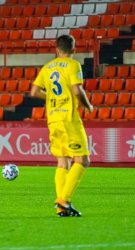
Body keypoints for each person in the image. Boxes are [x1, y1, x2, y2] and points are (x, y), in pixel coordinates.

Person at [30, 34, 93, 217]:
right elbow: (76, 89)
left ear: (56, 49)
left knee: (63, 160)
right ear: (74, 50)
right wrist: (87, 105)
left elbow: (34, 91)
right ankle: (63, 200)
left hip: (53, 119)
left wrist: (50, 97)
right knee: (82, 160)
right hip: (68, 118)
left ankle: (61, 208)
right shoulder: (74, 65)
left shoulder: (47, 67)